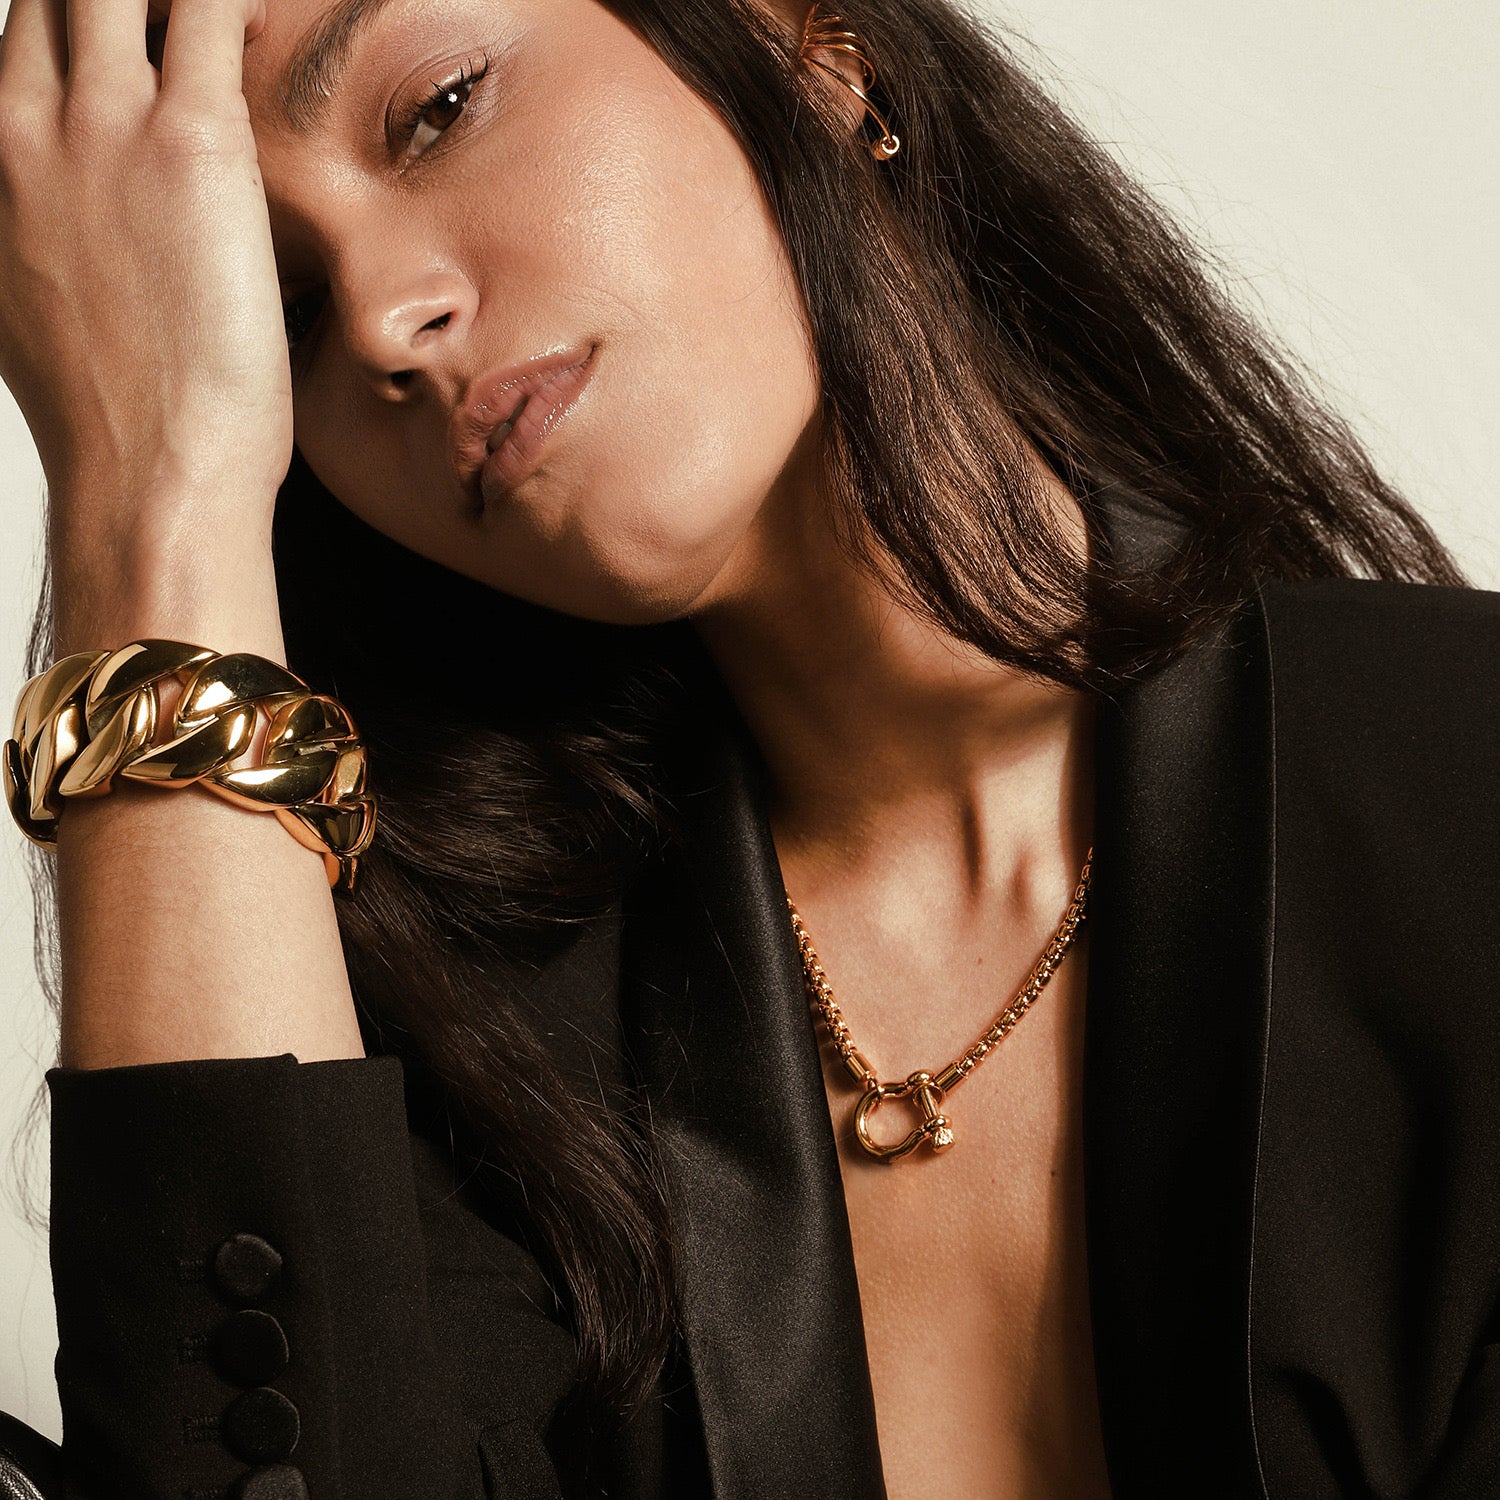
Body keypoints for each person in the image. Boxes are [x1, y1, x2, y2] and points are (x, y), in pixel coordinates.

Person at [0, 0, 1496, 1494]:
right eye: (284, 309)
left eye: (441, 106)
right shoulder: (424, 1047)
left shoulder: (1458, 798)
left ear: (805, 41)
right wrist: (152, 504)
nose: (387, 319)